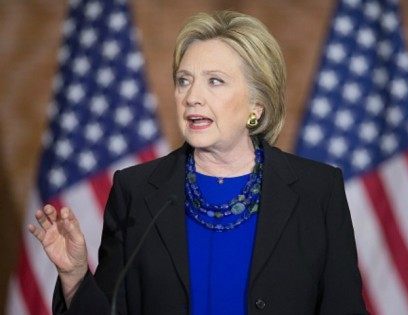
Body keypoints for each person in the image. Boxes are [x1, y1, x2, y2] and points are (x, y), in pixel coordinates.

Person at [29, 10, 368, 315]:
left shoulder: (317, 190)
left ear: (256, 105)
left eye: (214, 81)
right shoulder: (136, 191)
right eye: (184, 80)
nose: (192, 97)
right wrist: (74, 276)